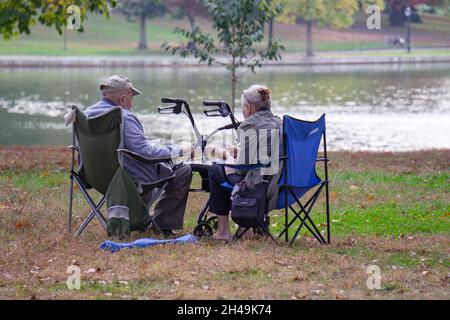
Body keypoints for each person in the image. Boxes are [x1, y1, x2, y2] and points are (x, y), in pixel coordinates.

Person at [84, 75, 192, 237]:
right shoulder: (123, 117)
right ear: (122, 99)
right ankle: (162, 224)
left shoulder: (85, 116)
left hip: (93, 177)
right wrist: (176, 150)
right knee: (182, 170)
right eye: (131, 98)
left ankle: (137, 215)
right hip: (124, 180)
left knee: (142, 170)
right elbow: (145, 151)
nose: (132, 103)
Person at [207, 84, 282, 242]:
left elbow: (242, 168)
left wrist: (226, 155)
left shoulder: (250, 125)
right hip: (280, 184)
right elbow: (263, 154)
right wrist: (238, 152)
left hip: (259, 187)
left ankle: (223, 231)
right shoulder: (279, 123)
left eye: (242, 107)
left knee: (215, 170)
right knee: (228, 169)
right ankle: (245, 227)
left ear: (248, 107)